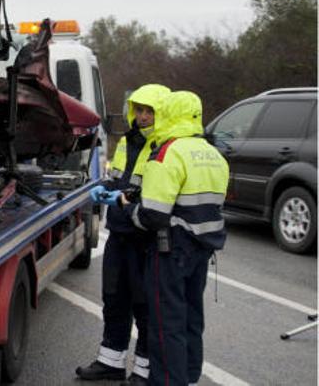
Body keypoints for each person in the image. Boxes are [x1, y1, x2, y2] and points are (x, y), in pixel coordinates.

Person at [110, 91, 229, 386]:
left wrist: (127, 208)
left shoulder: (168, 153)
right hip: (202, 250)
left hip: (171, 250)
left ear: (168, 114)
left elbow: (153, 216)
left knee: (165, 324)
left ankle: (166, 381)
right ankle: (187, 377)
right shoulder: (213, 153)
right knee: (191, 319)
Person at [76, 84, 170, 385]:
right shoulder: (127, 141)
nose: (142, 116)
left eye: (149, 111)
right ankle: (110, 361)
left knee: (144, 306)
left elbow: (157, 196)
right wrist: (104, 188)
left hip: (145, 237)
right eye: (138, 110)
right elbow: (119, 180)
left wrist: (126, 199)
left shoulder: (163, 147)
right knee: (114, 299)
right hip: (119, 231)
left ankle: (143, 370)